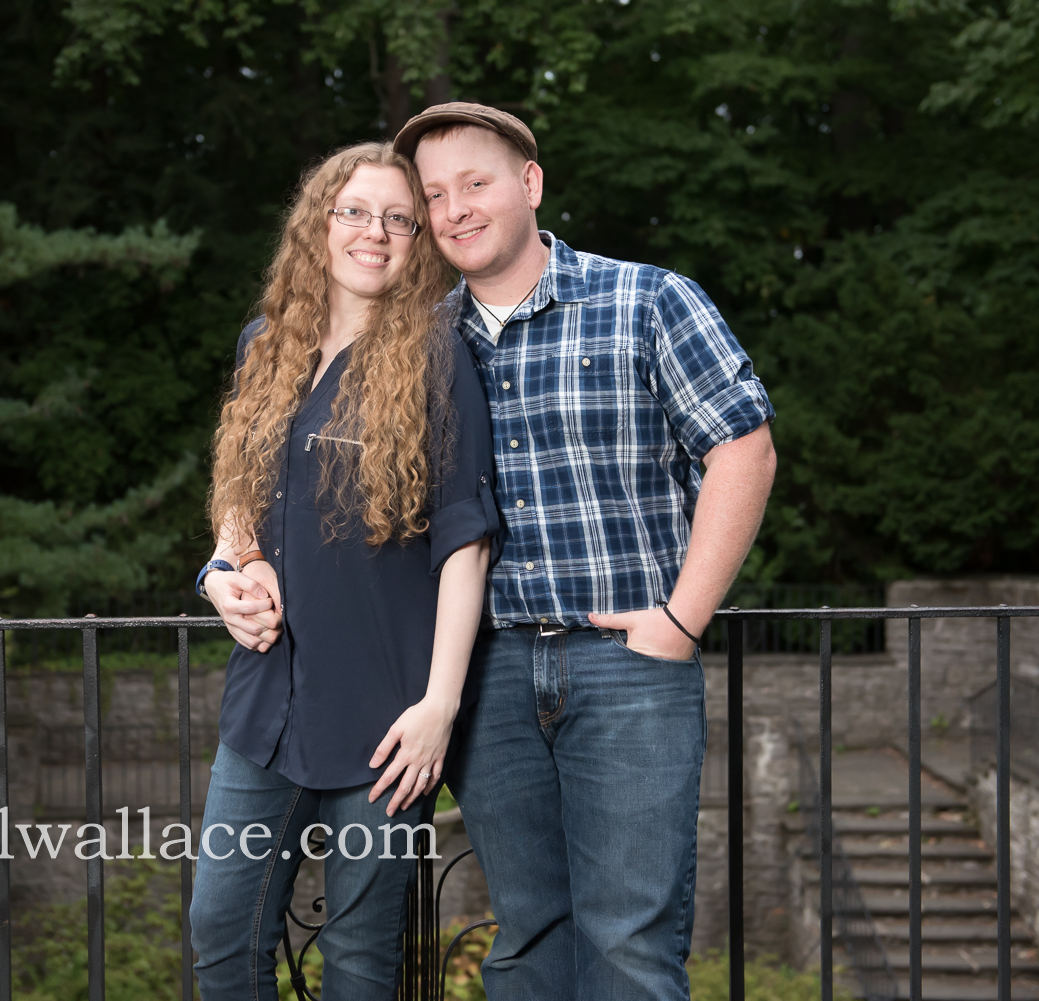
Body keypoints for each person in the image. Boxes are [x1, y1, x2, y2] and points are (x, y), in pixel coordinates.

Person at [395, 104, 779, 1001]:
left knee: (630, 944)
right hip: (484, 679)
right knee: (527, 940)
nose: (454, 209)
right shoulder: (419, 344)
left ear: (529, 183)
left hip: (629, 667)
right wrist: (235, 554)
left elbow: (744, 448)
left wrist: (682, 621)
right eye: (434, 195)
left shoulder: (649, 298)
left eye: (475, 183)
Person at [188, 140, 498, 1001]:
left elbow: (465, 544)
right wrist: (224, 570)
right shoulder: (266, 342)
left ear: (418, 242)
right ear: (317, 225)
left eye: (400, 219)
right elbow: (238, 496)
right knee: (220, 934)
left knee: (361, 964)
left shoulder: (439, 359)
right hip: (264, 713)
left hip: (386, 731)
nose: (377, 232)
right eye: (356, 211)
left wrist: (439, 705)